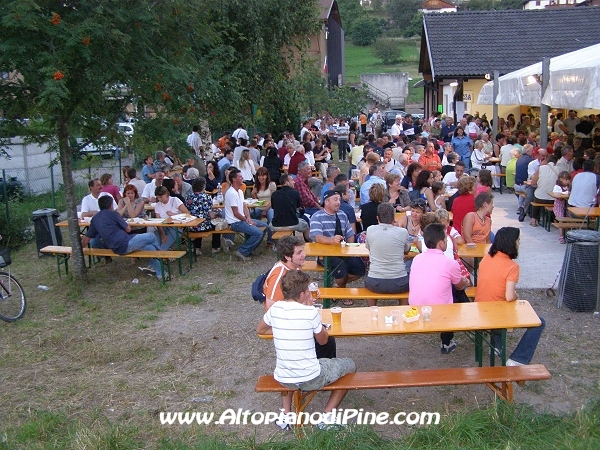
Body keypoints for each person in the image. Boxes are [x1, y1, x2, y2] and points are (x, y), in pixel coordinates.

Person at [257, 270, 356, 430]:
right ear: (303, 294)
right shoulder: (310, 312)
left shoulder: (275, 309)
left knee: (288, 369)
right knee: (350, 365)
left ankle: (286, 416)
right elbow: (323, 341)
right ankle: (328, 416)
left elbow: (261, 329)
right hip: (309, 377)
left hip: (284, 376)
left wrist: (286, 330)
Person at [475, 227, 546, 366]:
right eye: (518, 240)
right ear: (510, 243)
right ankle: (518, 359)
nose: (519, 243)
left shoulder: (486, 259)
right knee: (539, 322)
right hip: (496, 313)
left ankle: (496, 345)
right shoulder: (512, 266)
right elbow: (508, 296)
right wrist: (516, 295)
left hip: (480, 308)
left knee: (497, 303)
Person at [409, 223, 470, 354]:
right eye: (447, 240)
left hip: (415, 306)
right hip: (439, 311)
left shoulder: (417, 259)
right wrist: (465, 282)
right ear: (441, 243)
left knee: (448, 286)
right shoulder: (450, 263)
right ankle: (446, 342)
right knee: (457, 291)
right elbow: (459, 285)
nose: (448, 242)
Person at [81, 196, 165, 280]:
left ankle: (161, 274)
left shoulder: (95, 218)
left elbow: (86, 238)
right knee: (151, 236)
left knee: (150, 247)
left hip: (115, 247)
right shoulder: (113, 214)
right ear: (111, 206)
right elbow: (128, 229)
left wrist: (78, 249)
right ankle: (162, 256)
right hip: (125, 243)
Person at [309, 190, 366, 293]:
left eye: (339, 199)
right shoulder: (317, 216)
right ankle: (342, 291)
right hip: (324, 255)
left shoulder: (342, 215)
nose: (338, 202)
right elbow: (317, 237)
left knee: (360, 268)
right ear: (326, 202)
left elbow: (350, 235)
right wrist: (332, 240)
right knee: (342, 269)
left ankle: (338, 287)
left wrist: (350, 249)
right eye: (335, 199)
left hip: (342, 252)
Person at [365, 203, 410, 304]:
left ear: (378, 218)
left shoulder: (370, 230)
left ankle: (372, 311)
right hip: (399, 282)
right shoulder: (402, 232)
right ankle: (403, 310)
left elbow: (369, 247)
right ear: (394, 218)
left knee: (368, 279)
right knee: (408, 281)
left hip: (375, 282)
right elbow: (406, 250)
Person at [224, 169, 269, 261]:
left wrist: (248, 218)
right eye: (240, 177)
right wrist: (247, 220)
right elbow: (236, 213)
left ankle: (250, 249)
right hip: (235, 222)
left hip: (242, 220)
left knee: (265, 226)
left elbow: (244, 206)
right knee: (258, 233)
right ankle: (242, 251)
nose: (242, 178)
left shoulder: (240, 191)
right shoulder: (231, 193)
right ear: (234, 179)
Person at [184, 178, 221, 255]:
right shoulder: (207, 197)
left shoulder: (188, 197)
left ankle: (197, 247)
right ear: (203, 187)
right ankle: (215, 247)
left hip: (191, 226)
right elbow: (211, 214)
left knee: (198, 221)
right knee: (216, 225)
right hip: (204, 226)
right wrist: (217, 215)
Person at [269, 174, 310, 241]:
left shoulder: (274, 194)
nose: (294, 182)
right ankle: (309, 243)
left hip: (276, 225)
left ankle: (275, 244)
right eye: (292, 180)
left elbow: (274, 208)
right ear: (287, 182)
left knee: (270, 224)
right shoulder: (295, 193)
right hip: (292, 223)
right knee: (306, 225)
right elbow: (298, 208)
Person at [153, 186, 190, 250]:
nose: (159, 199)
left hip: (176, 227)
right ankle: (165, 254)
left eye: (161, 197)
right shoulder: (158, 205)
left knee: (163, 247)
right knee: (156, 242)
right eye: (158, 197)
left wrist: (173, 215)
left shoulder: (175, 200)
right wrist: (162, 235)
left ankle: (163, 254)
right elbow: (158, 221)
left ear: (166, 194)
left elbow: (187, 214)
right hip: (163, 227)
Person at [553, 171, 571, 244]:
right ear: (561, 179)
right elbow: (557, 195)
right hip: (559, 205)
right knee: (561, 219)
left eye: (568, 180)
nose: (568, 181)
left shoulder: (568, 187)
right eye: (566, 180)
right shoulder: (557, 187)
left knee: (569, 218)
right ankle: (561, 236)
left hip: (567, 205)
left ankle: (568, 234)